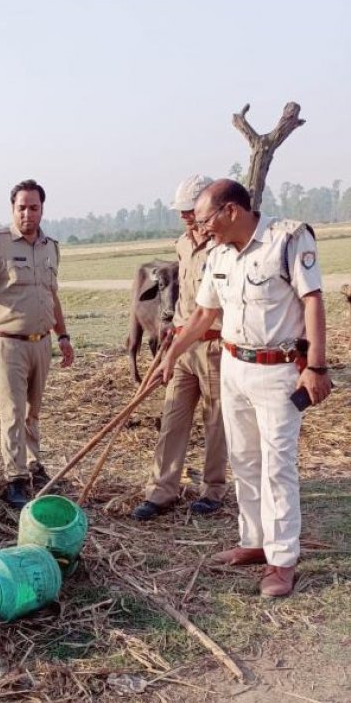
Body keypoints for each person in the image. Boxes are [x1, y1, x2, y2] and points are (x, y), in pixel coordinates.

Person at [156, 179, 332, 597]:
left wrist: (317, 367)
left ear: (231, 210)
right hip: (234, 367)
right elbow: (203, 314)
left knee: (277, 466)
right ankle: (253, 541)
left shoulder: (286, 239)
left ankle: (282, 560)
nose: (200, 230)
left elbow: (313, 301)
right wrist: (171, 354)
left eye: (204, 220)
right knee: (245, 460)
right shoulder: (218, 254)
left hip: (278, 371)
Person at [0, 179, 75, 509]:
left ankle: (35, 468)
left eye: (33, 207)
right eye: (21, 207)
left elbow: (52, 296)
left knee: (34, 411)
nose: (27, 213)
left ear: (42, 210)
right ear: (13, 209)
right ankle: (15, 478)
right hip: (8, 345)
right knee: (14, 411)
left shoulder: (51, 246)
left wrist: (63, 336)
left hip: (41, 343)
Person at [132, 174, 228, 521]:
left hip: (216, 345)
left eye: (191, 210)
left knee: (216, 420)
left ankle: (213, 489)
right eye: (183, 211)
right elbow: (183, 297)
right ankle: (161, 491)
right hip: (183, 346)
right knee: (172, 416)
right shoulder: (183, 245)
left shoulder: (225, 245)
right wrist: (172, 332)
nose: (187, 216)